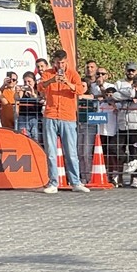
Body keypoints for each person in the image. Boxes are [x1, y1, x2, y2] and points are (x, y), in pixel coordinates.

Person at [38, 50, 88, 193]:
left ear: (66, 61)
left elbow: (80, 90)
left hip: (68, 116)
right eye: (58, 63)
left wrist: (67, 82)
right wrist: (51, 80)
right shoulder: (47, 73)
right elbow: (40, 87)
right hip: (51, 114)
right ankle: (53, 182)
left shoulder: (73, 74)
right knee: (51, 151)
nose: (60, 65)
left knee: (71, 151)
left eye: (62, 62)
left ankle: (75, 182)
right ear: (54, 62)